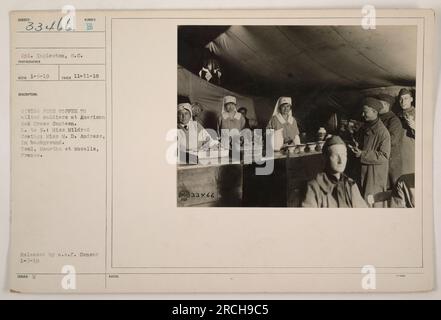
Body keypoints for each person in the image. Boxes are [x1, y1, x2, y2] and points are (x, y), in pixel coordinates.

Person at [301, 135, 367, 208]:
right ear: (325, 157)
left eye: (344, 155)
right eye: (336, 156)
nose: (341, 161)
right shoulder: (314, 187)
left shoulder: (350, 185)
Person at [348, 97, 391, 207]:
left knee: (373, 203)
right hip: (363, 172)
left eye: (365, 112)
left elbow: (384, 156)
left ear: (375, 112)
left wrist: (362, 154)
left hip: (374, 175)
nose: (362, 115)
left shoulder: (383, 133)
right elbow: (363, 145)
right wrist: (356, 145)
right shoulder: (365, 127)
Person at [376, 93, 403, 186]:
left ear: (387, 105)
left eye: (380, 104)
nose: (377, 107)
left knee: (395, 187)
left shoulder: (394, 120)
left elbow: (393, 140)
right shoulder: (378, 119)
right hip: (381, 159)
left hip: (392, 161)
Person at [397, 88, 415, 175]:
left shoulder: (417, 113)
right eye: (401, 99)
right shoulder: (398, 114)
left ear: (411, 99)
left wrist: (414, 126)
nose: (403, 101)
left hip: (410, 151)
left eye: (406, 98)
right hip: (398, 151)